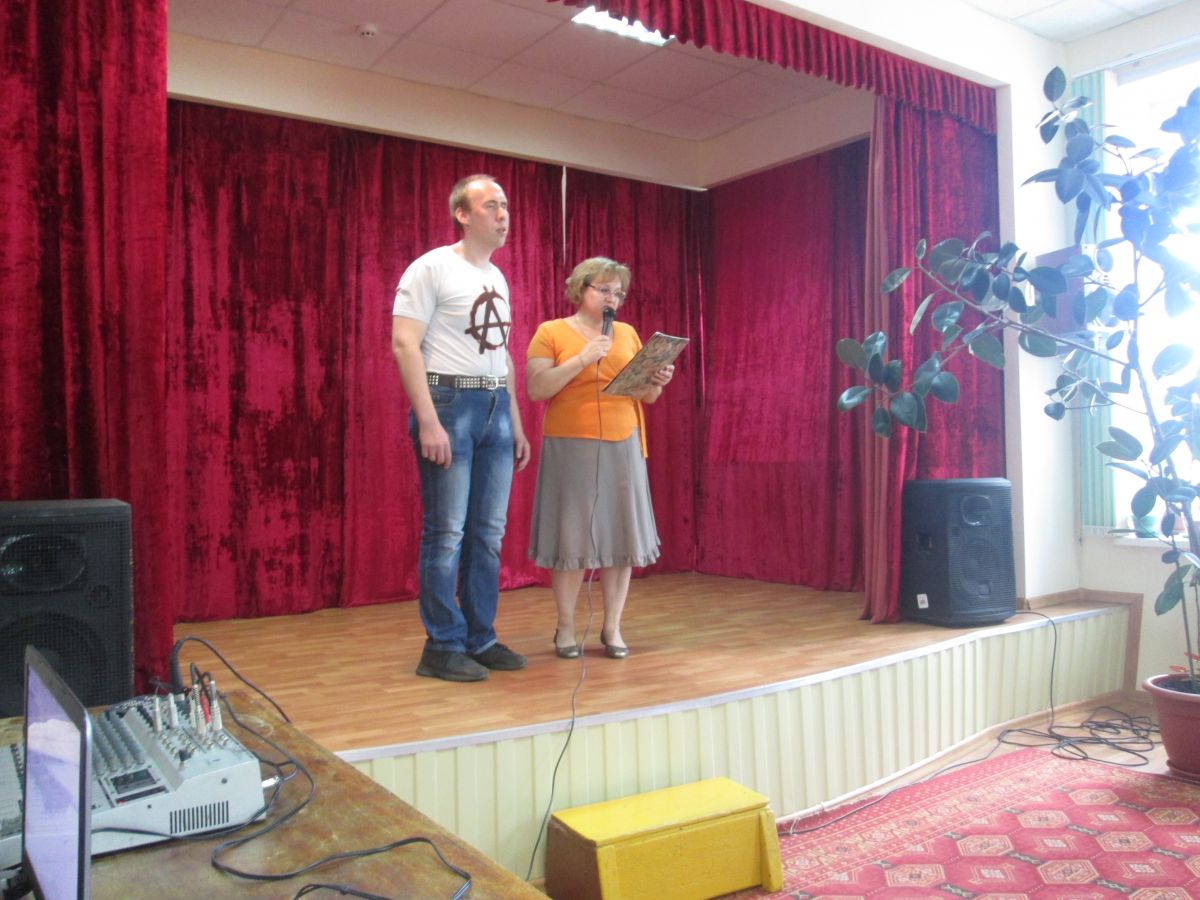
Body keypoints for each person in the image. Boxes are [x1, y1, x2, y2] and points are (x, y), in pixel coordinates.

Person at [391, 174, 531, 683]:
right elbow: (405, 344)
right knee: (447, 531)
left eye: (505, 205)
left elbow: (502, 354)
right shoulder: (431, 267)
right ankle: (442, 645)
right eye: (491, 205)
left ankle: (479, 637)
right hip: (448, 403)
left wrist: (515, 420)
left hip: (494, 407)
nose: (503, 214)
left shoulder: (498, 278)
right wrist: (428, 419)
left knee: (488, 532)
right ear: (463, 214)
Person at [525, 257, 675, 659]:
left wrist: (657, 380)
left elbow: (646, 395)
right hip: (571, 442)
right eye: (604, 290)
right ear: (581, 289)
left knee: (621, 534)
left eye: (618, 293)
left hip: (623, 439)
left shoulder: (627, 333)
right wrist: (581, 358)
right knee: (571, 536)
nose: (613, 299)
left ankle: (612, 628)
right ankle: (565, 628)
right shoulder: (551, 331)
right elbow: (536, 389)